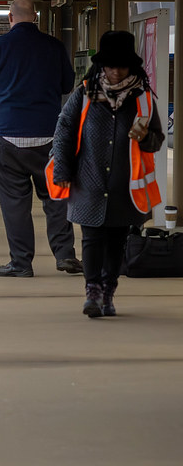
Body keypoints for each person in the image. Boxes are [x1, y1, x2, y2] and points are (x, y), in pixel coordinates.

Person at [49, 30, 164, 317]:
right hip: (88, 179)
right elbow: (64, 132)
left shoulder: (143, 98)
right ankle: (93, 292)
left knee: (116, 241)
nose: (115, 72)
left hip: (125, 185)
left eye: (122, 67)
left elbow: (157, 140)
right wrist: (62, 169)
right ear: (101, 65)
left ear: (131, 67)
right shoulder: (84, 93)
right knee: (91, 238)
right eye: (110, 66)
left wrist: (145, 137)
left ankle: (108, 290)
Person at [0, 0, 83, 277]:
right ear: (35, 16)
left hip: (6, 136)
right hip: (48, 136)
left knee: (15, 204)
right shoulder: (54, 46)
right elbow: (66, 84)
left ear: (10, 17)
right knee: (56, 198)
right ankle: (65, 255)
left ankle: (21, 263)